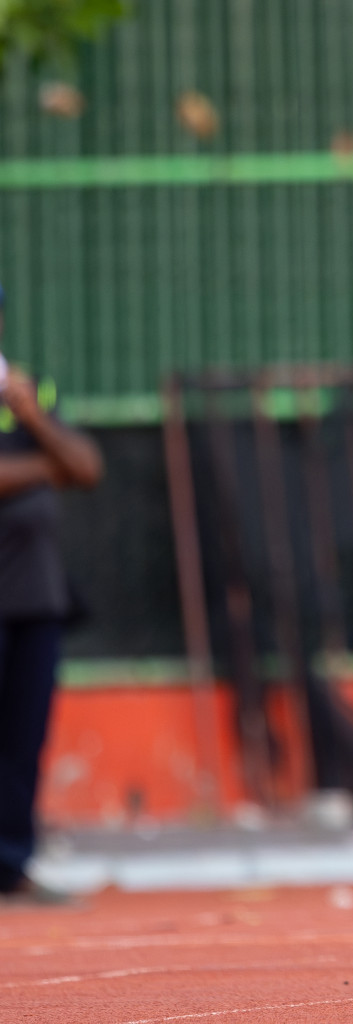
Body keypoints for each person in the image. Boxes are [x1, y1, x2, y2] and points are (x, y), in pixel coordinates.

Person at [0, 283, 104, 904]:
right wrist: (47, 467)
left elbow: (86, 466)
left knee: (23, 741)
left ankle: (10, 864)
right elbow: (62, 469)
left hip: (37, 600)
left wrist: (33, 417)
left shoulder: (29, 392)